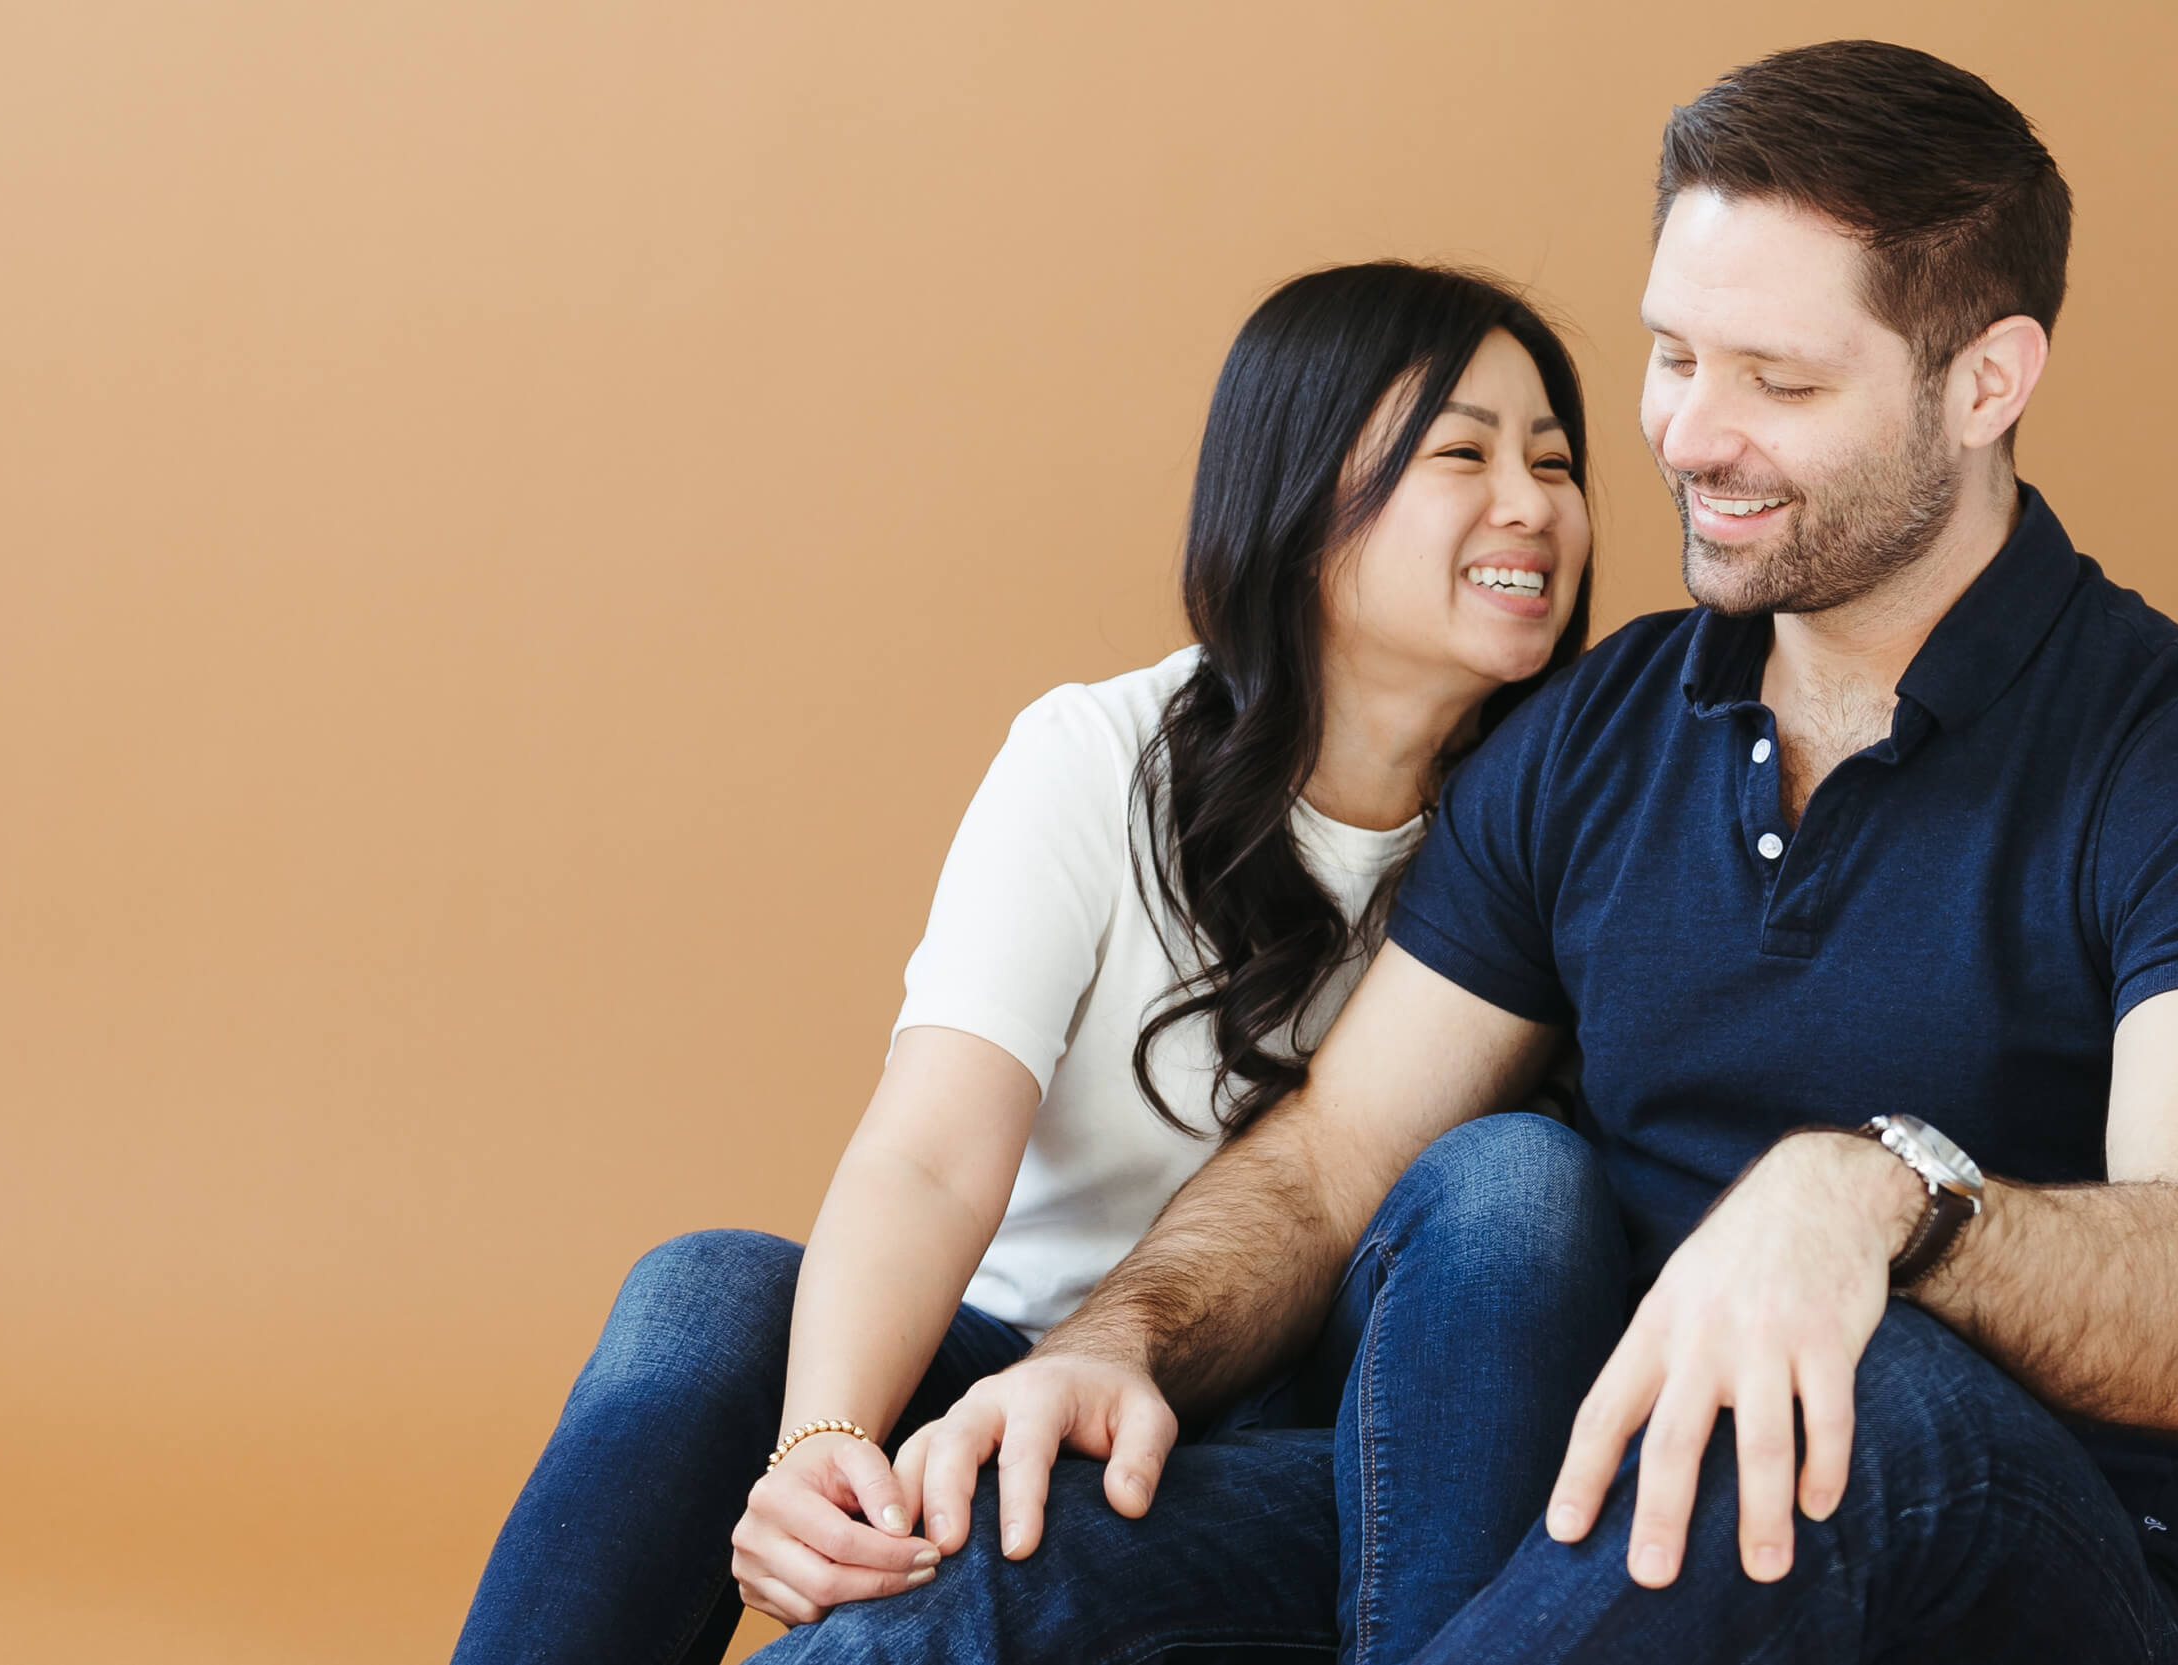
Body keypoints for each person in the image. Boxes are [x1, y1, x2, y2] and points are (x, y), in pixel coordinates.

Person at [884, 39, 2178, 1665]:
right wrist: (1121, 1345)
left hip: (2000, 1557)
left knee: (1861, 1396)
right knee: (1035, 1562)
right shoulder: (1597, 731)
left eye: (1778, 383)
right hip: (1591, 1527)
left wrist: (1879, 1202)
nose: (1685, 434)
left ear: (1987, 381)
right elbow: (1336, 1160)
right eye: (1672, 355)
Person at [449, 260, 1635, 1664]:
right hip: (1015, 1367)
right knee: (708, 1289)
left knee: (1511, 1183)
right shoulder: (1097, 760)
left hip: (1336, 1433)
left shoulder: (1577, 813)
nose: (1534, 505)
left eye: (1555, 461)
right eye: (1464, 453)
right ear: (1306, 495)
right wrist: (823, 1444)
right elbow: (932, 1156)